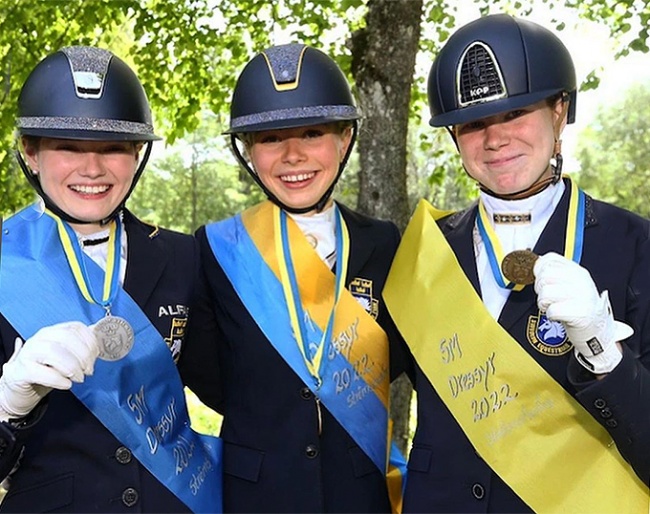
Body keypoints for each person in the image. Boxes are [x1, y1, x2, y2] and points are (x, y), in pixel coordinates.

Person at [383, 13, 650, 513]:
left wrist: (600, 347)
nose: (495, 138)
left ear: (559, 111)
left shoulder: (635, 244)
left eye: (516, 113)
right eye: (474, 124)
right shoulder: (423, 252)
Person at [179, 42, 407, 513]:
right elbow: (206, 372)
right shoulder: (216, 249)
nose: (292, 155)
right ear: (248, 151)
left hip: (360, 491)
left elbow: (401, 357)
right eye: (269, 138)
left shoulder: (383, 243)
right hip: (257, 492)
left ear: (344, 140)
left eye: (311, 133)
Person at [0, 46, 221, 512]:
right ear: (30, 152)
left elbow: (237, 388)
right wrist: (6, 406)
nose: (93, 169)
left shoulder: (181, 255)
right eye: (69, 147)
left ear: (137, 154)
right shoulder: (6, 261)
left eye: (113, 147)